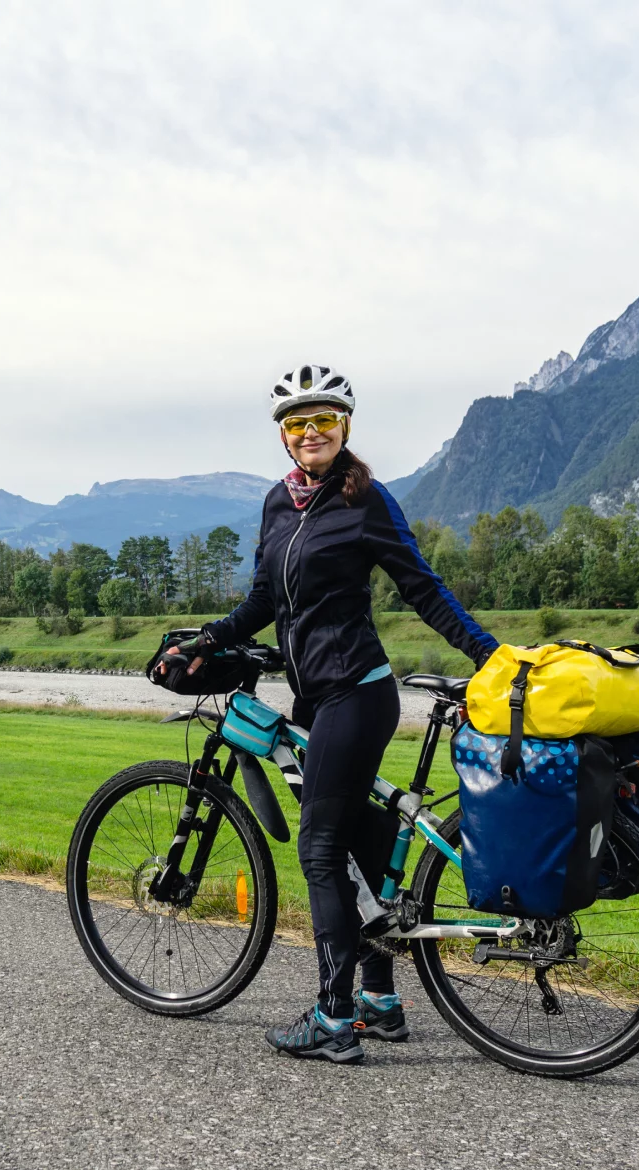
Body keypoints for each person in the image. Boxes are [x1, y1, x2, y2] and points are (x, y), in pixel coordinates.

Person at [174, 364, 498, 1064]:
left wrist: (487, 653)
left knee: (318, 849)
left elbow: (421, 586)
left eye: (324, 420)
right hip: (315, 695)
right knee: (357, 837)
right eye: (298, 423)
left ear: (344, 427)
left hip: (357, 691)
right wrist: (208, 638)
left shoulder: (365, 500)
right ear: (285, 437)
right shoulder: (277, 505)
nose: (311, 432)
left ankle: (334, 1017)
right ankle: (380, 1000)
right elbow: (266, 601)